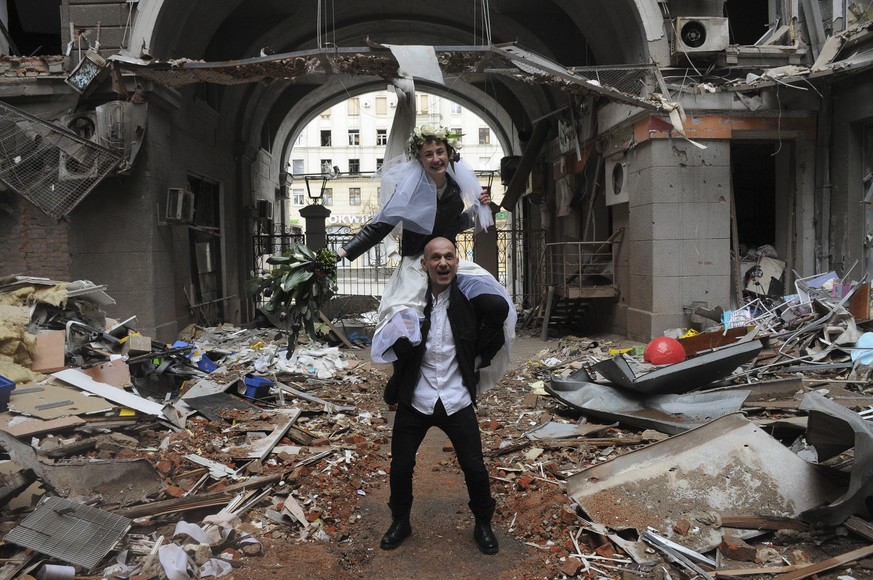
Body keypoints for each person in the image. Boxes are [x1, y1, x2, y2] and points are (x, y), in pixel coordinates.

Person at [337, 124, 516, 394]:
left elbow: (456, 222)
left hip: (448, 263)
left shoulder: (456, 187)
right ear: (419, 160)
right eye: (428, 154)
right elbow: (380, 226)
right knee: (403, 325)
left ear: (449, 153)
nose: (435, 159)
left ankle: (472, 362)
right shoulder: (408, 190)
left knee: (496, 306)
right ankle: (402, 376)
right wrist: (343, 251)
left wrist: (480, 207)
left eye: (440, 152)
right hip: (416, 265)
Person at [379, 236, 504, 555]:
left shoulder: (470, 304)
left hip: (456, 399)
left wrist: (474, 361)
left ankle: (484, 525)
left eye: (449, 256)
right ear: (425, 264)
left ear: (457, 263)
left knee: (475, 467)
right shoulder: (411, 305)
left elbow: (496, 322)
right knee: (401, 467)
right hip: (416, 400)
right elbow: (390, 343)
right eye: (435, 257)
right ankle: (400, 522)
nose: (443, 262)